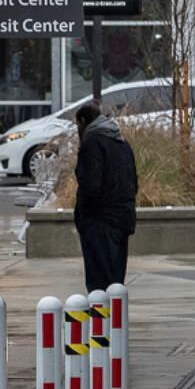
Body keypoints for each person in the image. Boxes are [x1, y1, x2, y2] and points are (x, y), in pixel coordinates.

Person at [74, 101, 138, 292]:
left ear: (83, 121)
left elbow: (90, 186)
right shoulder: (121, 141)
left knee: (99, 285)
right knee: (116, 284)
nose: (77, 130)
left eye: (77, 125)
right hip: (123, 218)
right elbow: (133, 181)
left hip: (100, 221)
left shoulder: (92, 143)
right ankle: (115, 321)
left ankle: (103, 322)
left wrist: (82, 215)